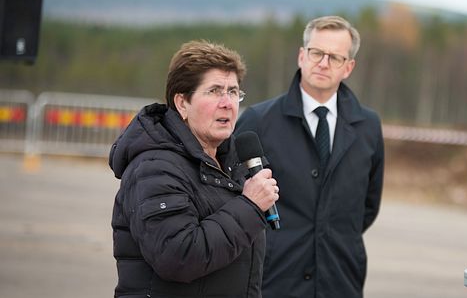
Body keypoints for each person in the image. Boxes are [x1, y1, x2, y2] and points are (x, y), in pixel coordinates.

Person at [110, 40, 279, 298]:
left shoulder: (237, 162)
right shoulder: (154, 167)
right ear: (182, 103)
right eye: (213, 91)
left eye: (233, 92)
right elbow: (177, 255)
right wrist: (250, 206)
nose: (227, 103)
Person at [235, 15, 384, 298]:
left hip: (341, 280)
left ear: (348, 67)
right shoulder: (259, 121)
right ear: (302, 56)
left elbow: (368, 205)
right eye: (317, 52)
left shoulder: (369, 126)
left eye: (335, 57)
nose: (323, 63)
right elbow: (234, 197)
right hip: (275, 279)